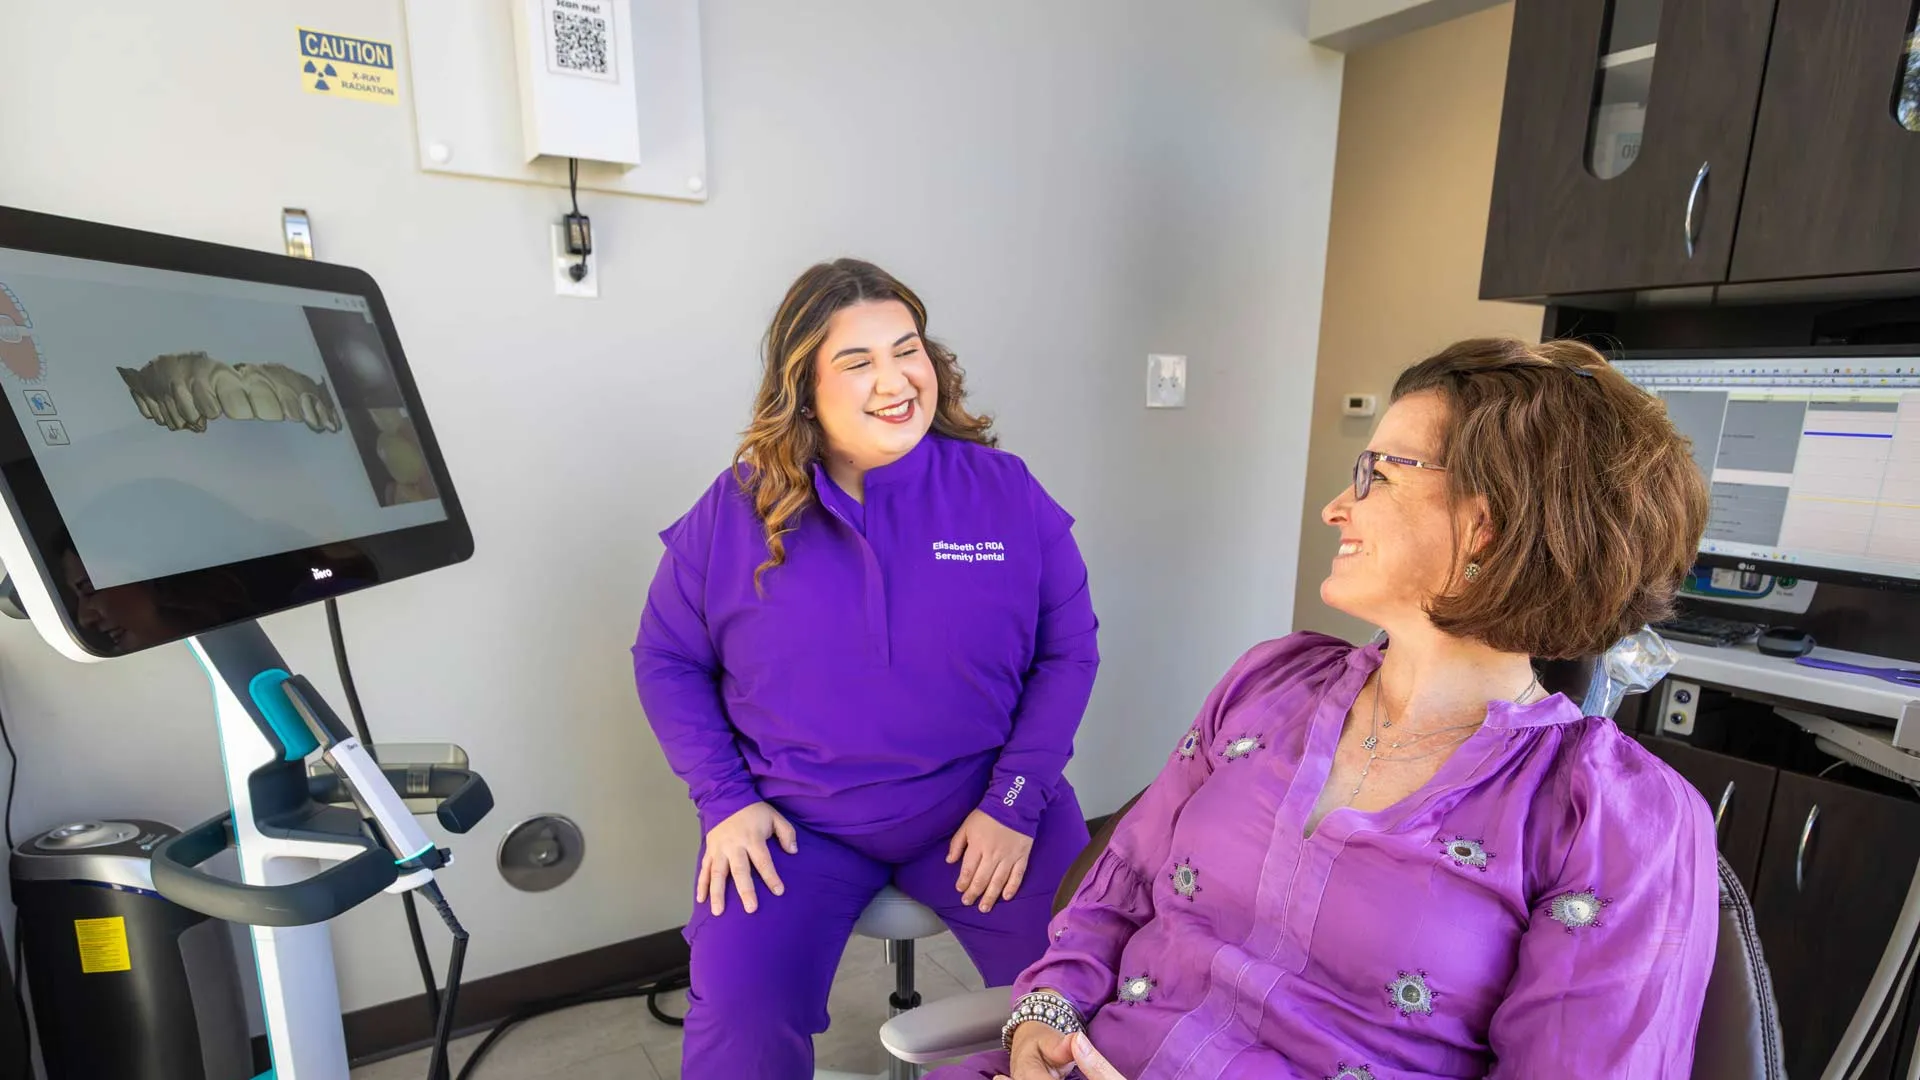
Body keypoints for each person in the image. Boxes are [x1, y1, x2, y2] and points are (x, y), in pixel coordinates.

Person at [935, 336, 1720, 1080]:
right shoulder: (1271, 684)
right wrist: (1044, 1016)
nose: (1337, 507)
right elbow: (1121, 881)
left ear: (1489, 522)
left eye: (1378, 473)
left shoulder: (1610, 818)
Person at [632, 258, 1100, 1077]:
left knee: (1080, 1010)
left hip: (986, 813)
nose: (895, 380)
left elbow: (1069, 652)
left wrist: (1014, 802)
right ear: (803, 387)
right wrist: (725, 802)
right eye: (856, 361)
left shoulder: (1002, 491)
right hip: (795, 826)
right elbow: (667, 659)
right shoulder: (737, 509)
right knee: (738, 1021)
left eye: (906, 348)